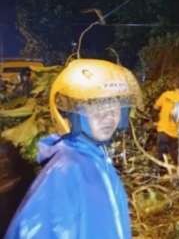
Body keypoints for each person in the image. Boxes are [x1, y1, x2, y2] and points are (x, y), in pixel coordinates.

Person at [5, 59, 141, 239]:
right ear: (74, 113)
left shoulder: (96, 159)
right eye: (95, 105)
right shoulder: (66, 170)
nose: (108, 116)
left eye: (114, 104)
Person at [153, 76, 179, 162]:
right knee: (176, 156)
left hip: (163, 129)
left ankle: (159, 172)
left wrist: (156, 121)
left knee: (160, 154)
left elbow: (155, 108)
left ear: (175, 85)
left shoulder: (166, 95)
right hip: (176, 134)